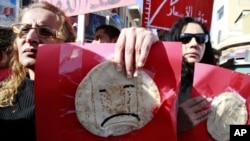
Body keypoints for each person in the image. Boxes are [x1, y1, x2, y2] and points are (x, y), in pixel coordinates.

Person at [0, 1, 159, 140]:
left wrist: (145, 42)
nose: (30, 38)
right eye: (24, 29)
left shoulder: (89, 90)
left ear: (67, 44)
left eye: (45, 32)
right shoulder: (3, 91)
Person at [165, 17, 216, 134]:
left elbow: (236, 131)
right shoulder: (160, 81)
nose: (194, 44)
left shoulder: (220, 83)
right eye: (186, 38)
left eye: (200, 39)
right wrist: (175, 125)